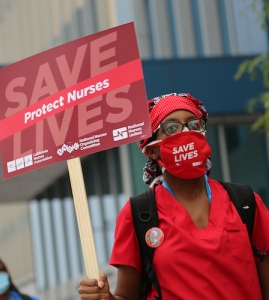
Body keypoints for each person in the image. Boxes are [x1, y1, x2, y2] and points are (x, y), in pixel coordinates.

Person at [78, 93, 269, 300]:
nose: (186, 132)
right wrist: (105, 297)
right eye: (171, 128)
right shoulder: (138, 214)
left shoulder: (245, 202)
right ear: (151, 151)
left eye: (193, 125)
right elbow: (126, 296)